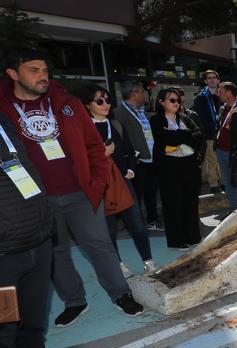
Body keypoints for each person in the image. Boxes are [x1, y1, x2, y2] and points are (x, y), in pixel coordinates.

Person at [1, 52, 143, 328]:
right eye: (33, 70)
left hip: (81, 194)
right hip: (38, 201)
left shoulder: (67, 104)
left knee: (100, 246)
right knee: (57, 254)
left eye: (44, 69)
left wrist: (98, 183)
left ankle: (121, 294)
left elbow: (93, 145)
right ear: (13, 74)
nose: (43, 75)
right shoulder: (4, 108)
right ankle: (75, 302)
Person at [0, 108, 96, 348]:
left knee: (30, 329)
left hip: (34, 243)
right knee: (1, 341)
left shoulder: (5, 120)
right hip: (3, 257)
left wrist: (46, 228)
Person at [81, 86, 155, 276]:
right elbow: (80, 160)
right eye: (99, 101)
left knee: (137, 225)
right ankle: (118, 264)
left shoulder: (116, 124)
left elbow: (130, 151)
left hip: (123, 182)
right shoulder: (83, 130)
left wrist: (130, 169)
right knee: (108, 229)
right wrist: (102, 154)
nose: (105, 104)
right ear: (88, 105)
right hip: (99, 186)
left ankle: (148, 262)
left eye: (107, 100)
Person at [150, 88, 204, 249]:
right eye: (172, 100)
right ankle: (177, 241)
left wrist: (177, 138)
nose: (176, 103)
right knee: (173, 205)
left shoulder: (186, 118)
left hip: (190, 168)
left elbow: (198, 136)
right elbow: (163, 141)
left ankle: (193, 238)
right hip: (169, 171)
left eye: (178, 100)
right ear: (161, 102)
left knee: (190, 203)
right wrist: (184, 137)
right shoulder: (155, 120)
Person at [112, 80, 160, 230]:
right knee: (135, 195)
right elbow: (118, 138)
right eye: (142, 92)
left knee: (151, 193)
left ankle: (152, 221)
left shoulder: (143, 112)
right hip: (135, 162)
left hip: (151, 159)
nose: (145, 95)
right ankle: (136, 224)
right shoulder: (118, 113)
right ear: (135, 93)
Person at [191, 70, 222, 194]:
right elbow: (200, 118)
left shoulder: (223, 94)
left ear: (218, 80)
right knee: (212, 159)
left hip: (223, 133)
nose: (212, 80)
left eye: (214, 77)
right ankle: (214, 184)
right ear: (205, 81)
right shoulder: (201, 97)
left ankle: (224, 182)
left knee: (223, 159)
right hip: (210, 134)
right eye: (209, 78)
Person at [214, 82, 237, 212]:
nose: (218, 93)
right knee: (227, 182)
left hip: (235, 151)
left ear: (229, 93)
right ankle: (234, 209)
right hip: (221, 149)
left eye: (220, 91)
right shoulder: (222, 108)